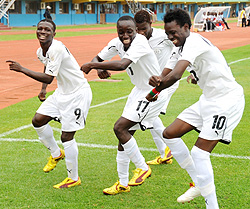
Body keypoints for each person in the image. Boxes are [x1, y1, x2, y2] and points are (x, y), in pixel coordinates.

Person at [146, 8, 245, 209]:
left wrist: (153, 93)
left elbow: (174, 76)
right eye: (167, 34)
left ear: (186, 27)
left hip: (226, 101)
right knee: (169, 133)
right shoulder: (179, 48)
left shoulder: (194, 41)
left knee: (200, 153)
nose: (171, 37)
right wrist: (156, 79)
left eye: (174, 32)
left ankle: (212, 206)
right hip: (208, 100)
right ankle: (199, 182)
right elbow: (165, 74)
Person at [81, 15, 169, 195]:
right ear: (117, 31)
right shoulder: (116, 43)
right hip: (138, 91)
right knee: (123, 136)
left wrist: (92, 65)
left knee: (119, 128)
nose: (125, 35)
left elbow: (122, 65)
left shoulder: (141, 42)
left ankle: (142, 167)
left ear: (136, 30)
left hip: (153, 92)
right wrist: (98, 67)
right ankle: (122, 183)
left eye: (129, 31)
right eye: (121, 32)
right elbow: (98, 57)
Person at [6, 19, 92, 189]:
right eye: (40, 29)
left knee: (67, 136)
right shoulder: (41, 51)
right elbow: (48, 70)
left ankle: (73, 178)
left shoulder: (56, 48)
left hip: (78, 93)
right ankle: (56, 153)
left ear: (54, 33)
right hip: (61, 92)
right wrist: (43, 89)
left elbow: (49, 77)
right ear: (36, 31)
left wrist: (22, 69)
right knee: (38, 120)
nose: (42, 31)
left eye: (47, 29)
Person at [134, 9, 177, 165]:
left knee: (149, 115)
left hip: (166, 81)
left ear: (151, 23)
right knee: (150, 117)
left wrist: (192, 69)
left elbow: (183, 44)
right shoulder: (137, 39)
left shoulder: (163, 36)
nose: (140, 33)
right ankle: (165, 152)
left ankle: (168, 148)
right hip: (151, 84)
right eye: (137, 29)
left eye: (143, 29)